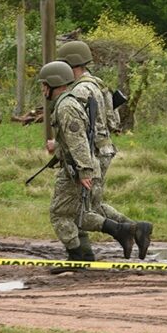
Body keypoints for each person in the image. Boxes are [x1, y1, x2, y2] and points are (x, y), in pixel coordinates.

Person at [57, 40, 152, 259]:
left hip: (92, 153)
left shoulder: (80, 90)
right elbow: (113, 120)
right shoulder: (99, 85)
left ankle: (86, 254)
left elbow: (78, 129)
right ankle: (136, 229)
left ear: (71, 65)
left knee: (79, 209)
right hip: (105, 148)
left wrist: (81, 163)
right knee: (93, 204)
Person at [38, 61, 134, 261]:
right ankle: (89, 251)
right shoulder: (69, 102)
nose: (42, 89)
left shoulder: (66, 106)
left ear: (53, 84)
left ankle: (81, 255)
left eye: (44, 85)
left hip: (79, 168)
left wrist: (84, 171)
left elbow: (78, 140)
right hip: (79, 166)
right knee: (79, 212)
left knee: (61, 214)